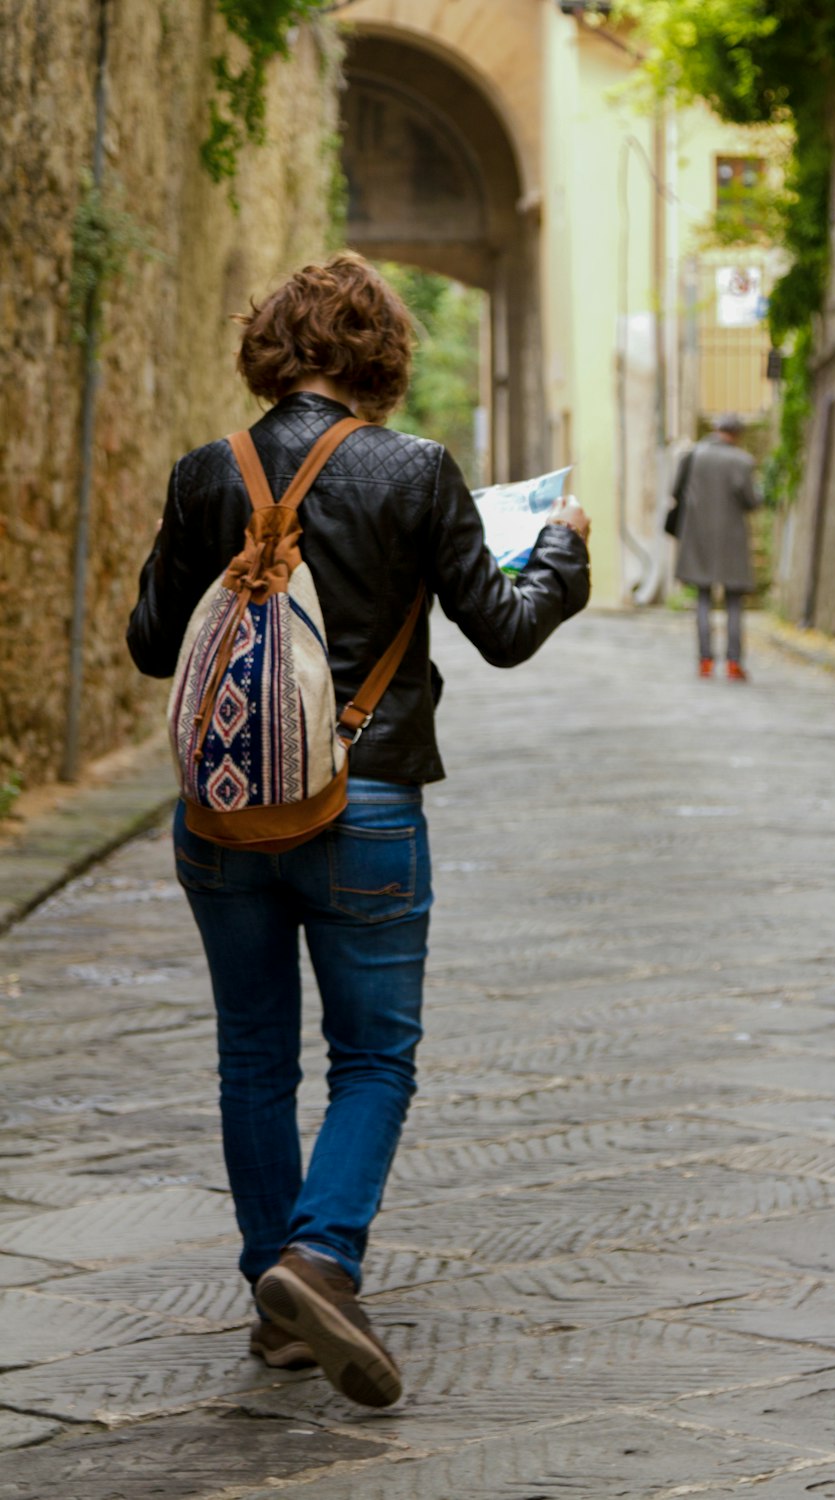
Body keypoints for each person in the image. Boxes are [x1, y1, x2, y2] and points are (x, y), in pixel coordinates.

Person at [126, 252, 590, 1408]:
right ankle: (320, 1258)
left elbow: (147, 639)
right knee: (373, 1057)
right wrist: (563, 549)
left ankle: (277, 1312)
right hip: (368, 799)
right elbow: (507, 630)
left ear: (270, 350)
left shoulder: (204, 472)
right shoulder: (418, 471)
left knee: (252, 1058)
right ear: (380, 355)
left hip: (223, 813)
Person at [673, 413, 760, 680]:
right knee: (734, 601)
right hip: (732, 540)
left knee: (703, 598)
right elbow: (753, 500)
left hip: (699, 537)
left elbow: (676, 491)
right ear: (737, 434)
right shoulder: (742, 461)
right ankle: (734, 662)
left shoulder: (693, 456)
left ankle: (705, 661)